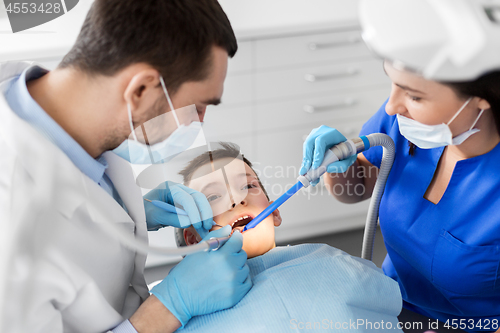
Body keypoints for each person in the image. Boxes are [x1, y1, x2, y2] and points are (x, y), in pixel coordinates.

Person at [0, 1, 253, 332]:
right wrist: (170, 306)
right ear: (141, 90)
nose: (199, 124)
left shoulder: (77, 117)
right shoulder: (14, 229)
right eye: (198, 106)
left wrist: (133, 214)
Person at [301, 58, 500, 333]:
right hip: (391, 303)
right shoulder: (402, 121)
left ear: (483, 97)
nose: (392, 105)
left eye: (415, 96)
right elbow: (357, 188)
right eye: (392, 84)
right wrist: (336, 167)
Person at [169, 142, 403, 332]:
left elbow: (389, 306)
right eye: (212, 197)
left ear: (275, 213)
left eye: (248, 186)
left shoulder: (331, 261)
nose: (236, 199)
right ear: (192, 238)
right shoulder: (178, 307)